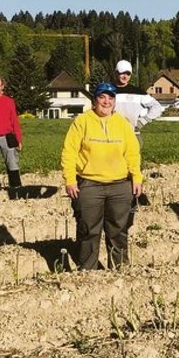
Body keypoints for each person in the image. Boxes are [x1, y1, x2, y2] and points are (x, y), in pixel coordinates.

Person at [61, 82, 142, 270]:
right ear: (94, 100)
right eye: (102, 97)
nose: (106, 102)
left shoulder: (123, 123)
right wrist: (70, 179)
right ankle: (88, 270)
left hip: (119, 185)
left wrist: (136, 177)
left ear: (114, 101)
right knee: (88, 230)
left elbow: (132, 153)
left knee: (118, 230)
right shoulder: (82, 122)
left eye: (110, 97)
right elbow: (69, 152)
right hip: (90, 184)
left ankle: (120, 268)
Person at [110, 60, 164, 147]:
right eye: (122, 73)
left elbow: (157, 107)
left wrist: (143, 121)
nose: (125, 76)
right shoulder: (108, 91)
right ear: (116, 73)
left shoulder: (139, 93)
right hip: (111, 135)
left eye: (128, 74)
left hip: (132, 135)